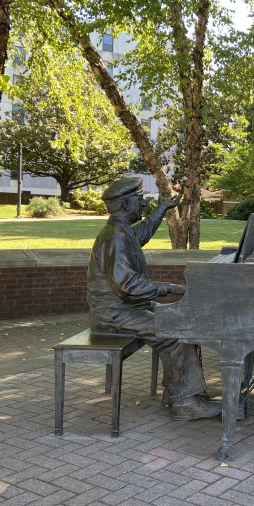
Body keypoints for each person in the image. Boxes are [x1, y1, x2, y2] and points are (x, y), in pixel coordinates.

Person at [87, 177, 221, 420]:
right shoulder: (114, 237)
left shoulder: (122, 231)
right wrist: (171, 288)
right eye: (140, 200)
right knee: (175, 333)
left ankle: (179, 394)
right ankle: (187, 404)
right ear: (126, 205)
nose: (143, 204)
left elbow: (144, 231)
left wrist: (163, 208)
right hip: (113, 315)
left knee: (180, 322)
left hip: (126, 310)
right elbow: (126, 286)